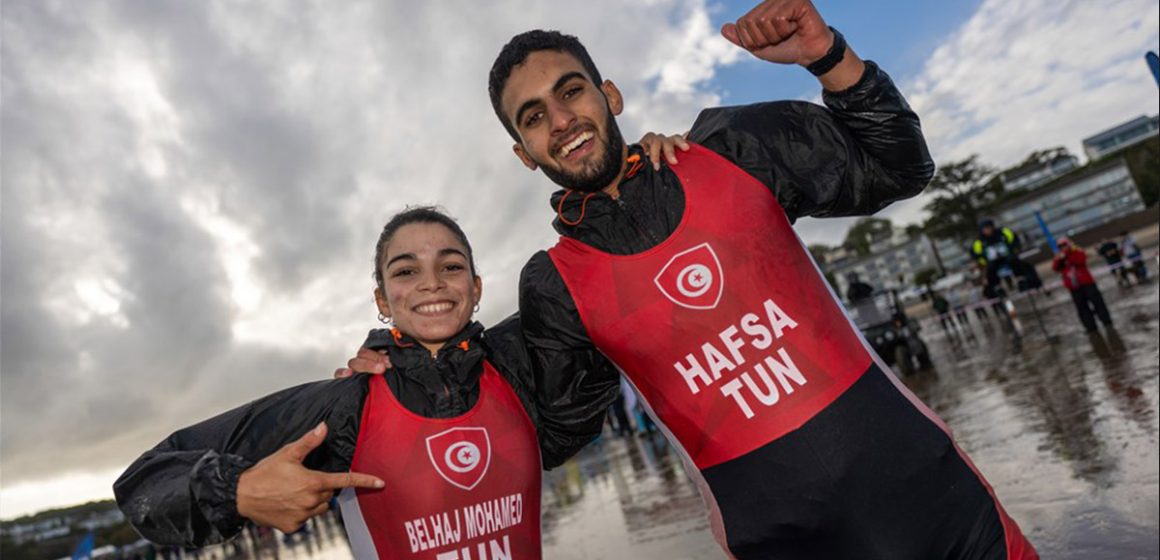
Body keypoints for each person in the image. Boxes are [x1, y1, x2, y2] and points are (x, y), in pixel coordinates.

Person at [346, 2, 1037, 557]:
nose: (560, 121)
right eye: (533, 118)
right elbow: (539, 432)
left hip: (943, 510)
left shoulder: (728, 150)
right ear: (524, 153)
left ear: (608, 94)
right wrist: (400, 368)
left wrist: (827, 57)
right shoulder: (555, 286)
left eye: (571, 92)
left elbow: (900, 168)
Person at [114, 208, 545, 559]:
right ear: (382, 300)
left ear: (476, 287)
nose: (431, 282)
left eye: (450, 266)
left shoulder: (519, 367)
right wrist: (238, 492)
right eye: (406, 271)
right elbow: (144, 482)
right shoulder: (346, 406)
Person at [1053, 237, 1113, 333]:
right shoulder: (1059, 256)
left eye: (1064, 245)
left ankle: (1106, 321)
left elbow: (1081, 260)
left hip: (1087, 283)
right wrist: (1061, 259)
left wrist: (1068, 257)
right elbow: (1055, 268)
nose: (1063, 247)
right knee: (1082, 307)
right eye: (1060, 246)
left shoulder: (1077, 251)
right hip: (1073, 286)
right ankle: (1090, 327)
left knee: (1097, 302)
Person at [972, 219, 1041, 297]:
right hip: (993, 263)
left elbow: (1014, 240)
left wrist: (1014, 251)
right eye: (984, 229)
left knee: (1020, 264)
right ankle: (998, 289)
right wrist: (985, 262)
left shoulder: (1003, 232)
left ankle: (1022, 281)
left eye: (988, 228)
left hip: (1008, 258)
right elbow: (977, 255)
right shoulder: (979, 241)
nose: (987, 230)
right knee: (990, 272)